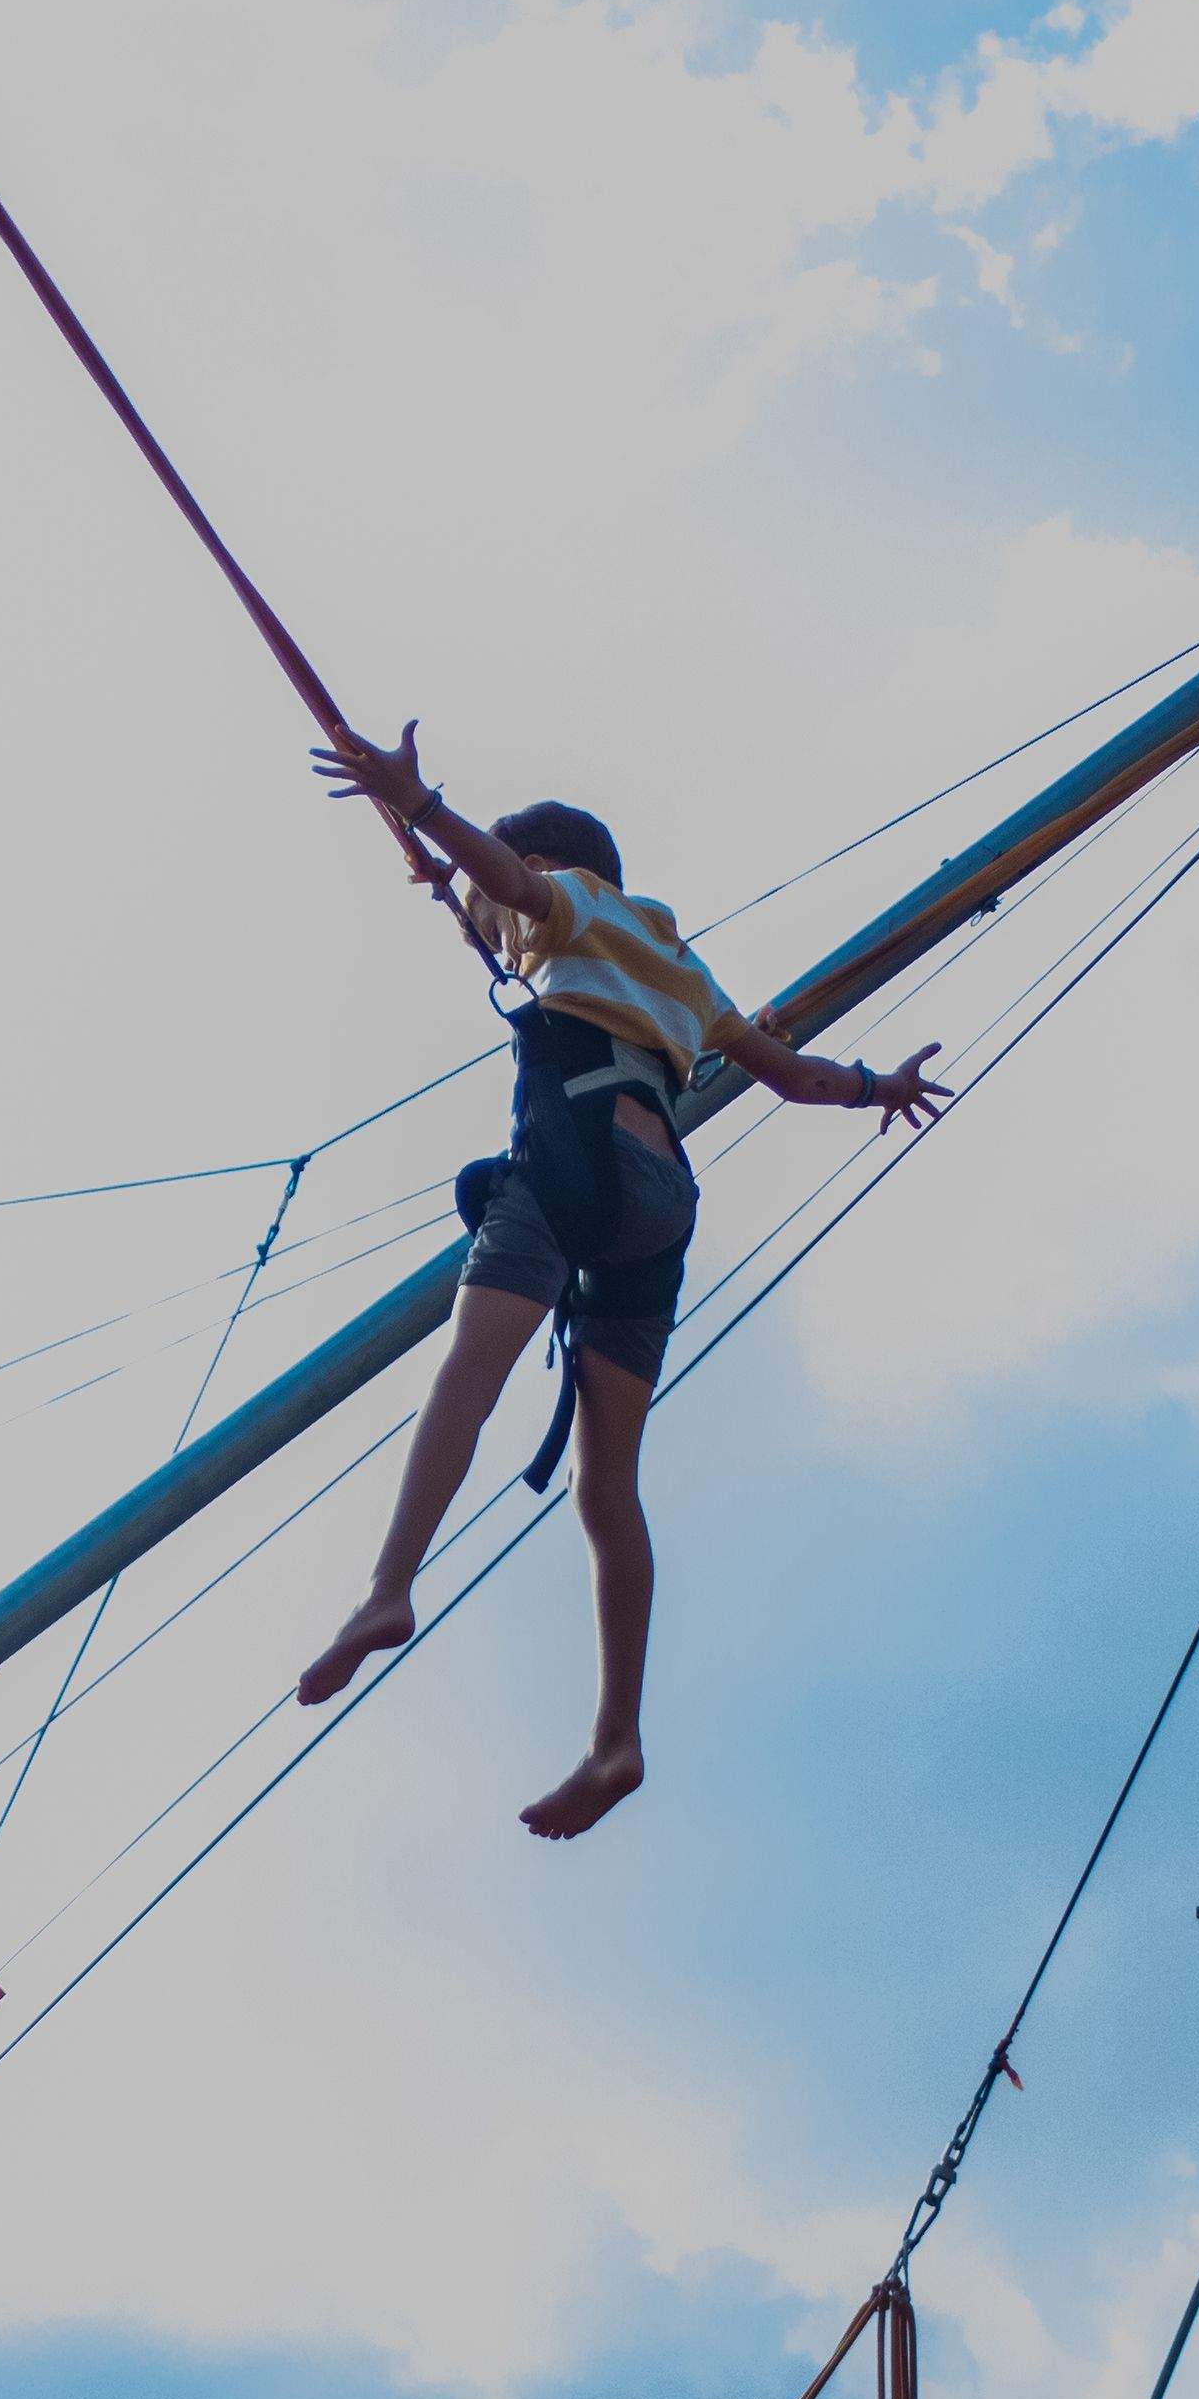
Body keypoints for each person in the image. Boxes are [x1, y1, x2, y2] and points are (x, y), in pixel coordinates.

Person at [298, 720, 950, 1841]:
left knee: (471, 1368)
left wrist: (423, 808)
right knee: (609, 1490)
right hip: (661, 1199)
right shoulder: (682, 970)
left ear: (553, 867)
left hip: (569, 1158)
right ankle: (616, 1737)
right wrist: (874, 1085)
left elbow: (504, 886)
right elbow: (788, 1076)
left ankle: (389, 1584)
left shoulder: (564, 901)